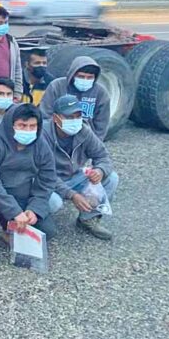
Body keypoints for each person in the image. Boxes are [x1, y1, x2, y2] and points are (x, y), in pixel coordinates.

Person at [0, 104, 58, 266]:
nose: (28, 130)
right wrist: (15, 211)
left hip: (22, 193)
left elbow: (47, 179)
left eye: (32, 126)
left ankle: (9, 229)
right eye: (22, 125)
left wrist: (35, 208)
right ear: (10, 124)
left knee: (48, 231)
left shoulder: (41, 144)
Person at [43, 95, 119, 240]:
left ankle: (88, 218)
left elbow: (103, 156)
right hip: (46, 182)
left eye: (78, 116)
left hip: (72, 177)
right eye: (69, 117)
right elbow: (44, 174)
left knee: (111, 178)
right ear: (55, 118)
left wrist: (100, 171)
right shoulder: (43, 134)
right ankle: (36, 220)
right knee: (54, 203)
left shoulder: (84, 131)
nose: (75, 120)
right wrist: (72, 195)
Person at [40, 56, 110, 140]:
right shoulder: (56, 86)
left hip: (86, 138)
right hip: (58, 136)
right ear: (72, 74)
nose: (85, 80)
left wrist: (96, 141)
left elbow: (102, 123)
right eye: (81, 76)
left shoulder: (100, 93)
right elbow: (45, 114)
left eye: (89, 77)